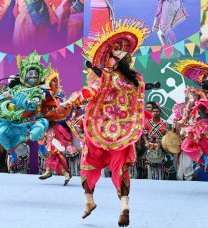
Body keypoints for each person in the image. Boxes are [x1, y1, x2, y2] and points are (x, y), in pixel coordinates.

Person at [58, 18, 151, 227]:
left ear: (112, 61)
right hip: (123, 134)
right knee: (120, 170)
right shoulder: (137, 82)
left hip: (99, 130)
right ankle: (124, 206)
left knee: (88, 165)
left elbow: (87, 92)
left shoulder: (106, 79)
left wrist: (67, 103)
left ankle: (89, 201)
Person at [0, 51, 50, 172]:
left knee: (37, 132)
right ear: (24, 74)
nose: (33, 75)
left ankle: (43, 149)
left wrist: (12, 98)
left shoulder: (38, 91)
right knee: (0, 133)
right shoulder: (16, 89)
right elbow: (0, 100)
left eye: (35, 73)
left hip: (33, 121)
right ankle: (13, 157)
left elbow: (31, 105)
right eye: (30, 73)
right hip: (16, 123)